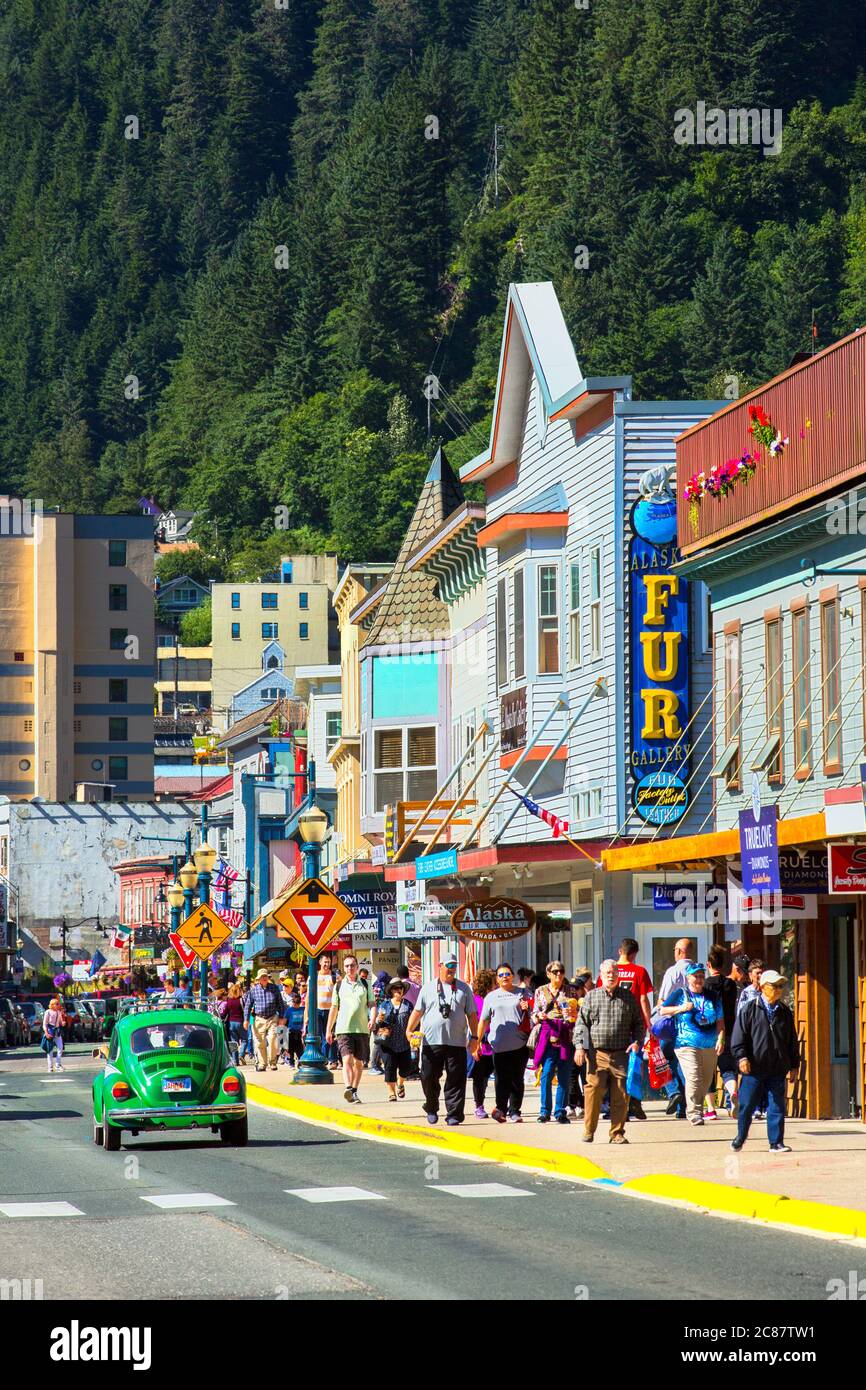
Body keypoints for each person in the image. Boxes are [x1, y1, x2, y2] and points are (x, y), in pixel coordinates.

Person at [574, 959, 644, 1144]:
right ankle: (589, 1130)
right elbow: (581, 1024)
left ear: (618, 975)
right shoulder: (591, 997)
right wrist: (580, 1047)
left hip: (622, 1053)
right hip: (597, 1054)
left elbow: (639, 1024)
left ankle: (617, 1133)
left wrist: (637, 1042)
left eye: (614, 972)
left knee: (621, 1094)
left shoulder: (628, 997)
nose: (611, 975)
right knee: (593, 1091)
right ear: (601, 975)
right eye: (607, 973)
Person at [730, 969, 799, 1153]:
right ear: (762, 987)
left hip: (777, 1067)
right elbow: (738, 1037)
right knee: (746, 1105)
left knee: (777, 1105)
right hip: (753, 1068)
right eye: (774, 986)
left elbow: (792, 1041)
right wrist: (742, 1057)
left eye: (780, 986)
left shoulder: (785, 1012)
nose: (778, 990)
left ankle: (776, 1142)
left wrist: (794, 1065)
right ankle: (741, 1136)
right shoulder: (749, 1009)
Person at [407, 954, 477, 1126]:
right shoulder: (428, 988)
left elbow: (472, 1015)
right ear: (440, 966)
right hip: (432, 1042)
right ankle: (431, 1107)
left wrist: (474, 1037)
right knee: (428, 1076)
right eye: (448, 965)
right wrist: (409, 1030)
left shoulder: (464, 988)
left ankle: (454, 1114)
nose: (451, 969)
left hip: (457, 1042)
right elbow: (418, 1011)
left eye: (454, 965)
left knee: (456, 1079)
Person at [658, 963, 724, 1126]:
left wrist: (721, 1038)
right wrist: (681, 1008)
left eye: (702, 976)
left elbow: (720, 1020)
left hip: (710, 1044)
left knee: (706, 1080)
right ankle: (694, 1113)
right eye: (696, 976)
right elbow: (662, 1010)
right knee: (694, 1077)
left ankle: (698, 1108)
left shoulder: (713, 996)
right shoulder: (680, 993)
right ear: (688, 978)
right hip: (686, 1043)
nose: (699, 979)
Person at [598, 939, 652, 1120]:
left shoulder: (608, 970)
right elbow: (643, 1000)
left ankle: (615, 1105)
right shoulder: (640, 971)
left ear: (620, 950)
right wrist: (648, 1023)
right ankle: (634, 1103)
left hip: (612, 1025)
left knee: (612, 1066)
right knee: (634, 1066)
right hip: (633, 1024)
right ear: (634, 953)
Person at [475, 962, 531, 1122]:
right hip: (499, 1046)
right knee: (501, 1079)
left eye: (507, 974)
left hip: (520, 1044)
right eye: (501, 975)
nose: (504, 977)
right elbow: (483, 1021)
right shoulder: (491, 997)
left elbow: (534, 1011)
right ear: (497, 980)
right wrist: (477, 1042)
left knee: (517, 1079)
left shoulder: (523, 993)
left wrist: (528, 1007)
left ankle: (515, 1111)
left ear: (513, 976)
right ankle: (501, 1109)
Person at [532, 961, 578, 1124]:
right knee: (547, 1073)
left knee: (565, 1075)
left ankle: (560, 1111)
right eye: (555, 971)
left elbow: (577, 1012)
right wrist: (539, 1017)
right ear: (548, 974)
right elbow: (534, 1013)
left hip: (566, 1033)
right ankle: (545, 1111)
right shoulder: (540, 991)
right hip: (548, 1033)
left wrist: (572, 1013)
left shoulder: (571, 991)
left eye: (562, 971)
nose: (559, 974)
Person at [656, 937, 696, 1119]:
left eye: (674, 949)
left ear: (680, 951)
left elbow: (662, 1000)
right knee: (683, 1063)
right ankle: (684, 1107)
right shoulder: (697, 972)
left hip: (672, 1023)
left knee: (661, 1058)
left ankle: (673, 1092)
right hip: (692, 1025)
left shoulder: (673, 972)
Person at [326, 953, 373, 1103]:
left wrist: (372, 1018)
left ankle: (354, 1090)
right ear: (344, 968)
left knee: (358, 1063)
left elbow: (371, 1004)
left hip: (361, 1029)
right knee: (347, 1059)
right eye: (346, 966)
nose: (349, 968)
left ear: (357, 967)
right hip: (343, 1028)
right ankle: (347, 1087)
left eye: (352, 965)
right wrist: (329, 1029)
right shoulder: (338, 985)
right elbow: (334, 1008)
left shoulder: (365, 984)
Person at [703, 944, 739, 1118]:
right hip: (730, 1031)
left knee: (708, 1071)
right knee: (728, 1068)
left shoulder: (706, 986)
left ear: (709, 965)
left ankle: (710, 1110)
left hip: (709, 1033)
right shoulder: (730, 985)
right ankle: (733, 1092)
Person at [372, 978, 414, 1100]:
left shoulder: (408, 1005)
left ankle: (400, 1084)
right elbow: (378, 1022)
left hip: (404, 1042)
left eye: (400, 988)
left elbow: (414, 1020)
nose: (398, 990)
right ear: (391, 990)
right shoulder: (385, 1004)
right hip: (387, 1042)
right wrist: (378, 1020)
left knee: (406, 1068)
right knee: (390, 1067)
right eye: (395, 988)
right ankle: (391, 1092)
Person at [244, 968, 286, 1072]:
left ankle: (272, 1062)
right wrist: (246, 1019)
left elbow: (280, 1003)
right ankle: (262, 1063)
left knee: (272, 1040)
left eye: (265, 976)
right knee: (260, 1042)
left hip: (272, 1017)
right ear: (258, 979)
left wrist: (281, 1017)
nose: (264, 978)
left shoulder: (274, 988)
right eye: (262, 977)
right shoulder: (253, 990)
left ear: (268, 978)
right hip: (259, 1019)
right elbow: (248, 1005)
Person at [305, 953, 339, 1068]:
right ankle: (323, 1058)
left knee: (331, 1035)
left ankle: (332, 1059)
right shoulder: (313, 976)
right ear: (319, 963)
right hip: (317, 1010)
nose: (326, 964)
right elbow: (308, 998)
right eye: (324, 962)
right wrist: (307, 1015)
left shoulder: (335, 976)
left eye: (328, 962)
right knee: (319, 1036)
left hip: (331, 1011)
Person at [470, 968, 496, 1118]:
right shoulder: (475, 1000)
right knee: (480, 1078)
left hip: (497, 1043)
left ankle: (501, 1105)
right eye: (494, 982)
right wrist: (475, 1042)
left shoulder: (497, 997)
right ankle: (478, 1106)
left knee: (500, 1076)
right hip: (482, 1043)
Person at [219, 983, 246, 1066]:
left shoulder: (228, 1001)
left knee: (234, 1042)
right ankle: (241, 1055)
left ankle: (235, 1061)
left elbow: (224, 1013)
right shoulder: (241, 1000)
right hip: (240, 1022)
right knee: (245, 1040)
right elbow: (245, 1011)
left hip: (231, 1023)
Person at [42, 996, 66, 1072]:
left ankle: (58, 1065)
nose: (58, 1005)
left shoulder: (58, 1012)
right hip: (50, 1032)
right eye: (57, 1004)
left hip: (57, 1032)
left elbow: (60, 1022)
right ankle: (50, 1067)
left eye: (58, 1004)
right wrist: (46, 1032)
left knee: (60, 1047)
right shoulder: (48, 1012)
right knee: (50, 1050)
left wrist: (63, 1023)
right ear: (52, 1005)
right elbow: (45, 1023)